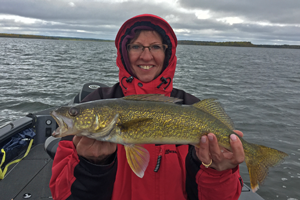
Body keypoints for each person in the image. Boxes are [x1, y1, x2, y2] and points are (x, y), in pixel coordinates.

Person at [50, 14, 245, 200]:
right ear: (124, 52)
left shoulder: (191, 105)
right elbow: (62, 194)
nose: (146, 56)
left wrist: (218, 170)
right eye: (136, 46)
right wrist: (91, 165)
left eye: (155, 47)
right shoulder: (97, 100)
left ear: (166, 52)